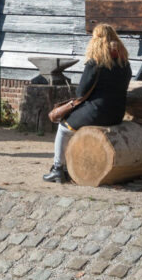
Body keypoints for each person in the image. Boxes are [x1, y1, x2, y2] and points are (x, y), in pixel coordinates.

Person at [44, 24, 131, 184]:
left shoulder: (95, 63)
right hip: (117, 113)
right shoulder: (124, 63)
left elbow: (80, 93)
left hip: (97, 112)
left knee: (64, 128)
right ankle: (68, 167)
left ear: (96, 40)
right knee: (73, 125)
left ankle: (58, 169)